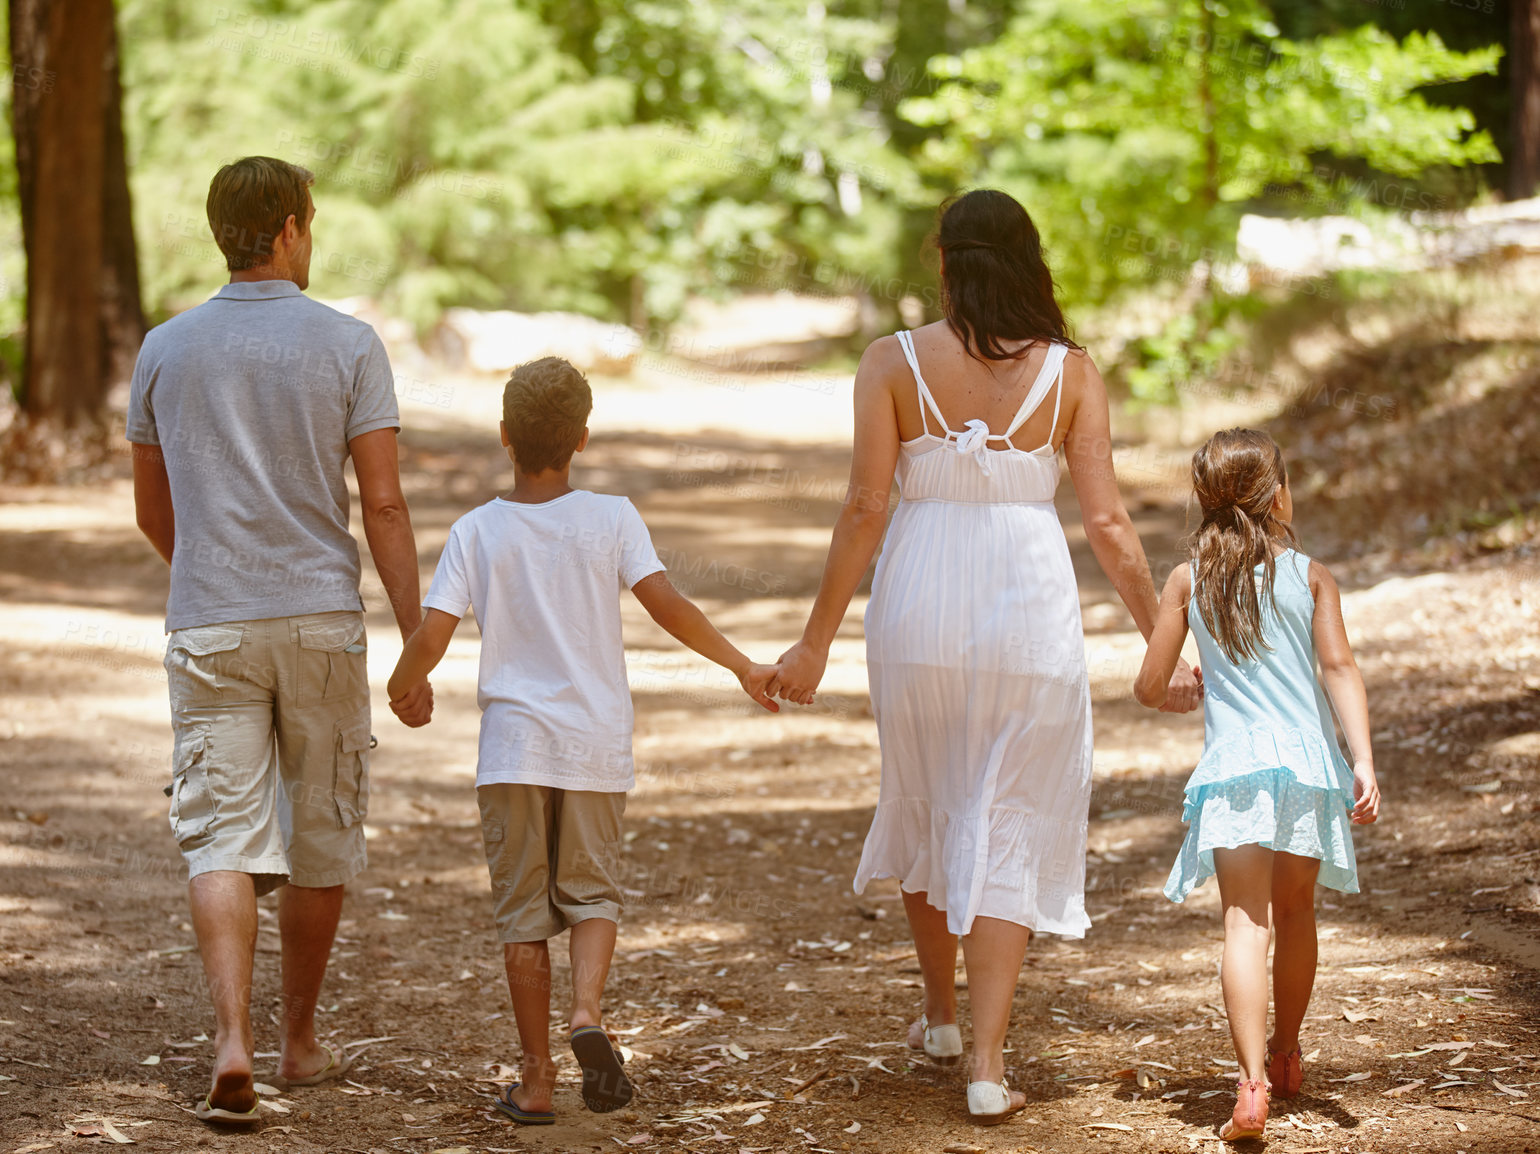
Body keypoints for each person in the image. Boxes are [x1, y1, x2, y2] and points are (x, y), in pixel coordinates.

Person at [769, 189, 1202, 1123]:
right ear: (1029, 260)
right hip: (1026, 610)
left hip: (919, 604)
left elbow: (863, 508)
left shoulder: (891, 361)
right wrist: (1160, 645)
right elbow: (1111, 525)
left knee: (930, 790)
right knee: (1005, 809)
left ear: (947, 260)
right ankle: (989, 1064)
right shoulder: (1074, 374)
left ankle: (939, 1014)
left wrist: (814, 642)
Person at [386, 356, 779, 1125]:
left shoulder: (477, 531)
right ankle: (588, 1014)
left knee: (523, 917)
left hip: (512, 751)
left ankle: (536, 1082)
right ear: (583, 439)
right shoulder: (613, 517)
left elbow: (433, 633)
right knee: (593, 893)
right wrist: (742, 664)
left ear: (504, 436)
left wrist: (404, 684)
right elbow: (668, 604)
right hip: (595, 743)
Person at [127, 156, 430, 1125]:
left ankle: (230, 1041)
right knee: (319, 834)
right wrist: (417, 634)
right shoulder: (347, 344)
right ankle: (297, 1041)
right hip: (318, 622)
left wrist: (211, 566)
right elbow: (381, 502)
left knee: (218, 831)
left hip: (209, 617)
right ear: (292, 227)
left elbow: (150, 508)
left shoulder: (164, 348)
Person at [1134, 427, 1380, 1142]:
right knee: (1297, 913)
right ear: (1278, 496)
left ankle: (1250, 1086)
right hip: (1306, 768)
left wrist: (1184, 688)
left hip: (1235, 772)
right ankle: (1289, 1052)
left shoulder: (1188, 581)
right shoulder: (1310, 575)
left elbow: (1149, 685)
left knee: (1245, 923)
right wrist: (1361, 759)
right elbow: (1340, 669)